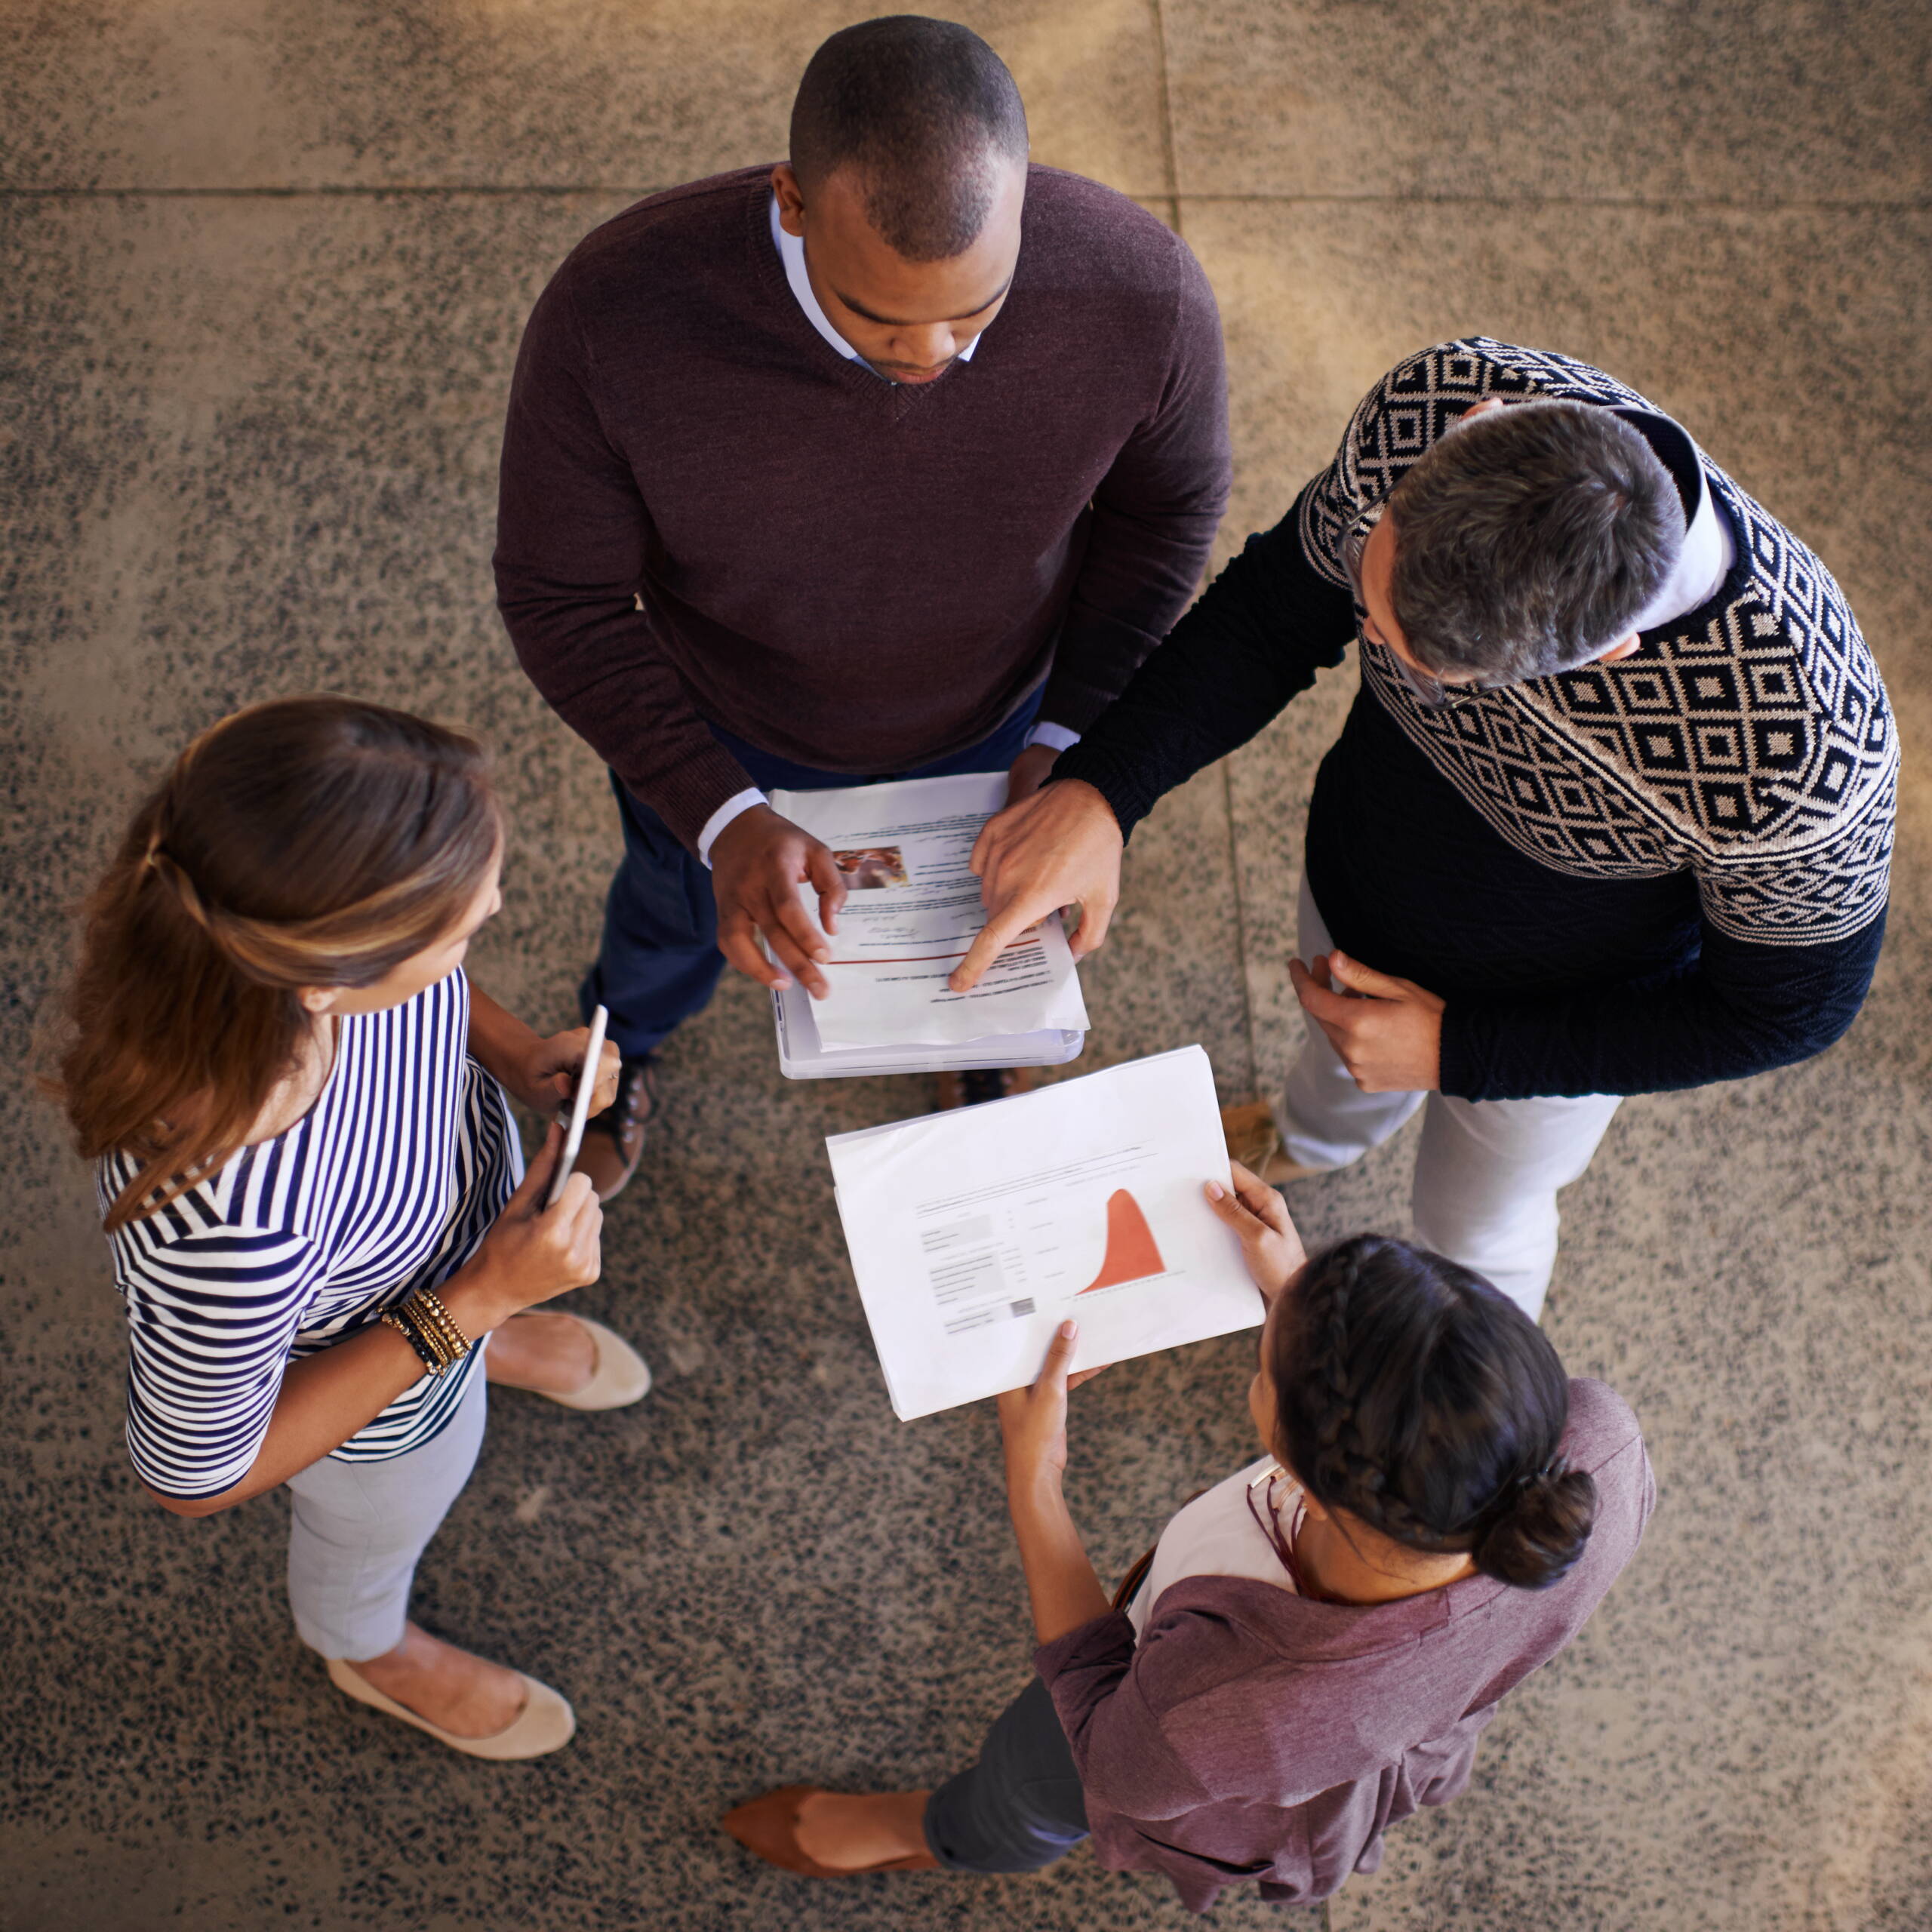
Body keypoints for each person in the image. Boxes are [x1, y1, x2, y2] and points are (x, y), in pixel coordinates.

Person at [954, 337, 1896, 1315]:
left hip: (1555, 1019)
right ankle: (1314, 1137)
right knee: (1331, 1070)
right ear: (1471, 432)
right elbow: (1277, 611)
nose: (1367, 637)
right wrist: (1105, 787)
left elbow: (1786, 1011)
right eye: (1370, 603)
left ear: (1611, 652)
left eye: (1425, 667)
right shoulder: (1437, 398)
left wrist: (1462, 1054)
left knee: (1476, 1229)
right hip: (1362, 874)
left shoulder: (1804, 755)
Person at [494, 14, 1230, 1195]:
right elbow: (558, 596)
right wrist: (720, 815)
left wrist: (1072, 740)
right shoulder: (613, 316)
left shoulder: (1143, 293)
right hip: (721, 723)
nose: (932, 355)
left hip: (1002, 714)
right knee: (672, 916)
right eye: (878, 318)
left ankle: (975, 1055)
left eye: (977, 312)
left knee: (974, 928)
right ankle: (619, 1046)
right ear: (790, 200)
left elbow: (1164, 522)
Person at [721, 1164, 1653, 1908]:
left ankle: (942, 1832)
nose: (1264, 1335)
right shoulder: (1598, 1450)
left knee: (1036, 1781)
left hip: (1177, 1750)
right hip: (1389, 1716)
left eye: (1267, 1360)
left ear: (1302, 1470)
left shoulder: (1228, 1705)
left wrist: (1033, 1483)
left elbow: (1100, 1741)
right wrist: (1319, 1305)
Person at [51, 697, 653, 1760]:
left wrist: (513, 1056)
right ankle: (365, 1641)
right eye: (465, 929)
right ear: (336, 970)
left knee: (466, 1335)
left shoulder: (286, 947)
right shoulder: (232, 1230)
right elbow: (200, 1477)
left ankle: (485, 1347)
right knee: (379, 1528)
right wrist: (476, 1303)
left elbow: (430, 993)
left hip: (420, 1256)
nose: (488, 921)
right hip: (374, 1405)